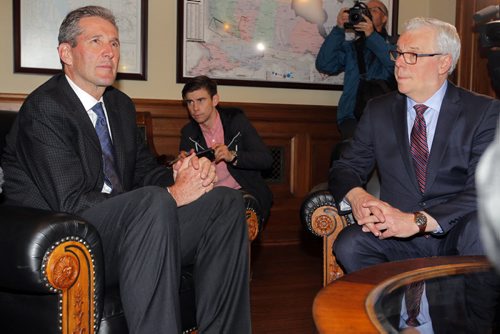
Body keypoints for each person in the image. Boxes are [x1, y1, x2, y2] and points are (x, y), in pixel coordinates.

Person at [1, 6, 251, 334]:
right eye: (96, 41)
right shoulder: (45, 109)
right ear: (67, 53)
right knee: (154, 201)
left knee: (225, 202)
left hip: (138, 231)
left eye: (115, 44)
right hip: (72, 243)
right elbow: (71, 202)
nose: (109, 51)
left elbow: (145, 172)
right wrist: (171, 195)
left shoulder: (119, 105)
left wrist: (182, 176)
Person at [329, 17, 500, 329]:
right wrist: (358, 197)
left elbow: (482, 192)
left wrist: (417, 221)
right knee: (350, 243)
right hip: (396, 235)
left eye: (413, 55)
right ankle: (395, 322)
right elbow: (346, 167)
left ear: (443, 63)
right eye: (398, 53)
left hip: (455, 234)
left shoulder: (483, 112)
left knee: (481, 230)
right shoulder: (379, 109)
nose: (399, 64)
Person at [178, 75, 273, 222]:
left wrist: (232, 156)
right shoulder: (188, 133)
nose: (195, 108)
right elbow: (187, 178)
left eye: (201, 100)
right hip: (208, 195)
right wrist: (183, 165)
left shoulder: (236, 121)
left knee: (227, 212)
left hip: (242, 192)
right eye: (190, 102)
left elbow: (266, 159)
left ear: (215, 100)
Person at [316, 0, 396, 139]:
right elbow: (325, 65)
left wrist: (372, 36)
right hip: (351, 116)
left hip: (385, 117)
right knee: (354, 157)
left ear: (384, 18)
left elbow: (395, 65)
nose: (368, 14)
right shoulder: (351, 47)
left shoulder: (395, 45)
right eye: (365, 11)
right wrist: (339, 29)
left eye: (374, 10)